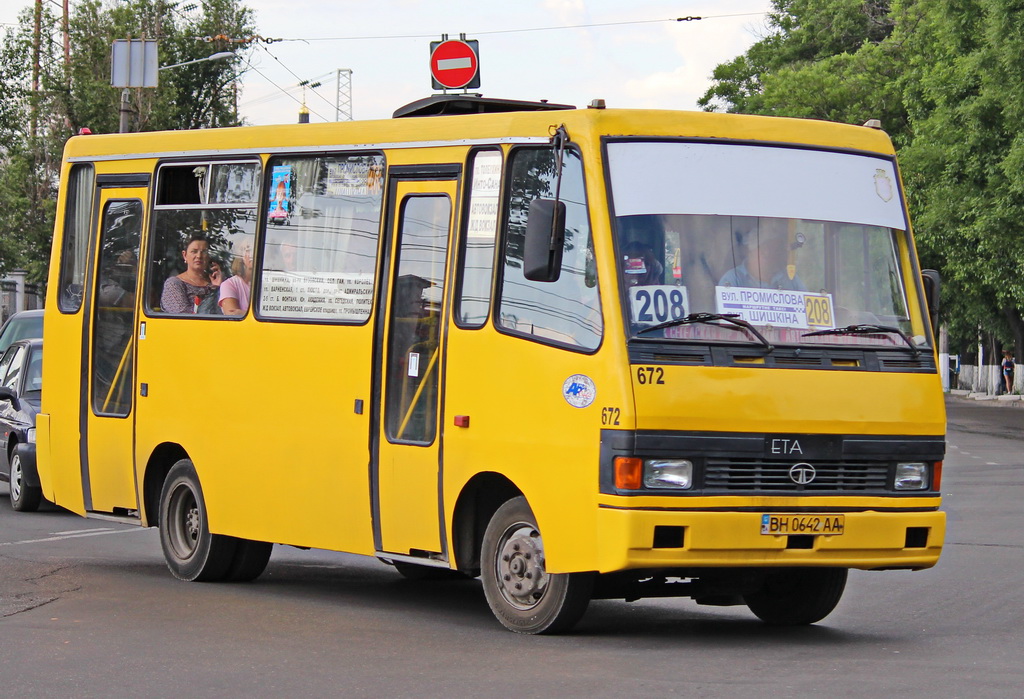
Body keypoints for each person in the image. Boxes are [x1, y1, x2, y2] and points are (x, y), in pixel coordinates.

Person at [719, 219, 806, 291]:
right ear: (749, 252)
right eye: (762, 248)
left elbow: (805, 304)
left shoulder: (789, 278)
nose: (767, 253)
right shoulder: (732, 279)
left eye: (771, 248)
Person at [161, 235, 221, 314]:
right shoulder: (174, 284)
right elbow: (183, 316)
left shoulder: (214, 283)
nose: (199, 256)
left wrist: (218, 287)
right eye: (194, 251)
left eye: (204, 252)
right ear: (185, 255)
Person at [219, 241, 253, 316]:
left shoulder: (271, 281)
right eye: (248, 250)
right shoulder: (230, 284)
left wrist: (242, 313)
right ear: (241, 256)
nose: (253, 254)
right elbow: (232, 314)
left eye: (255, 249)